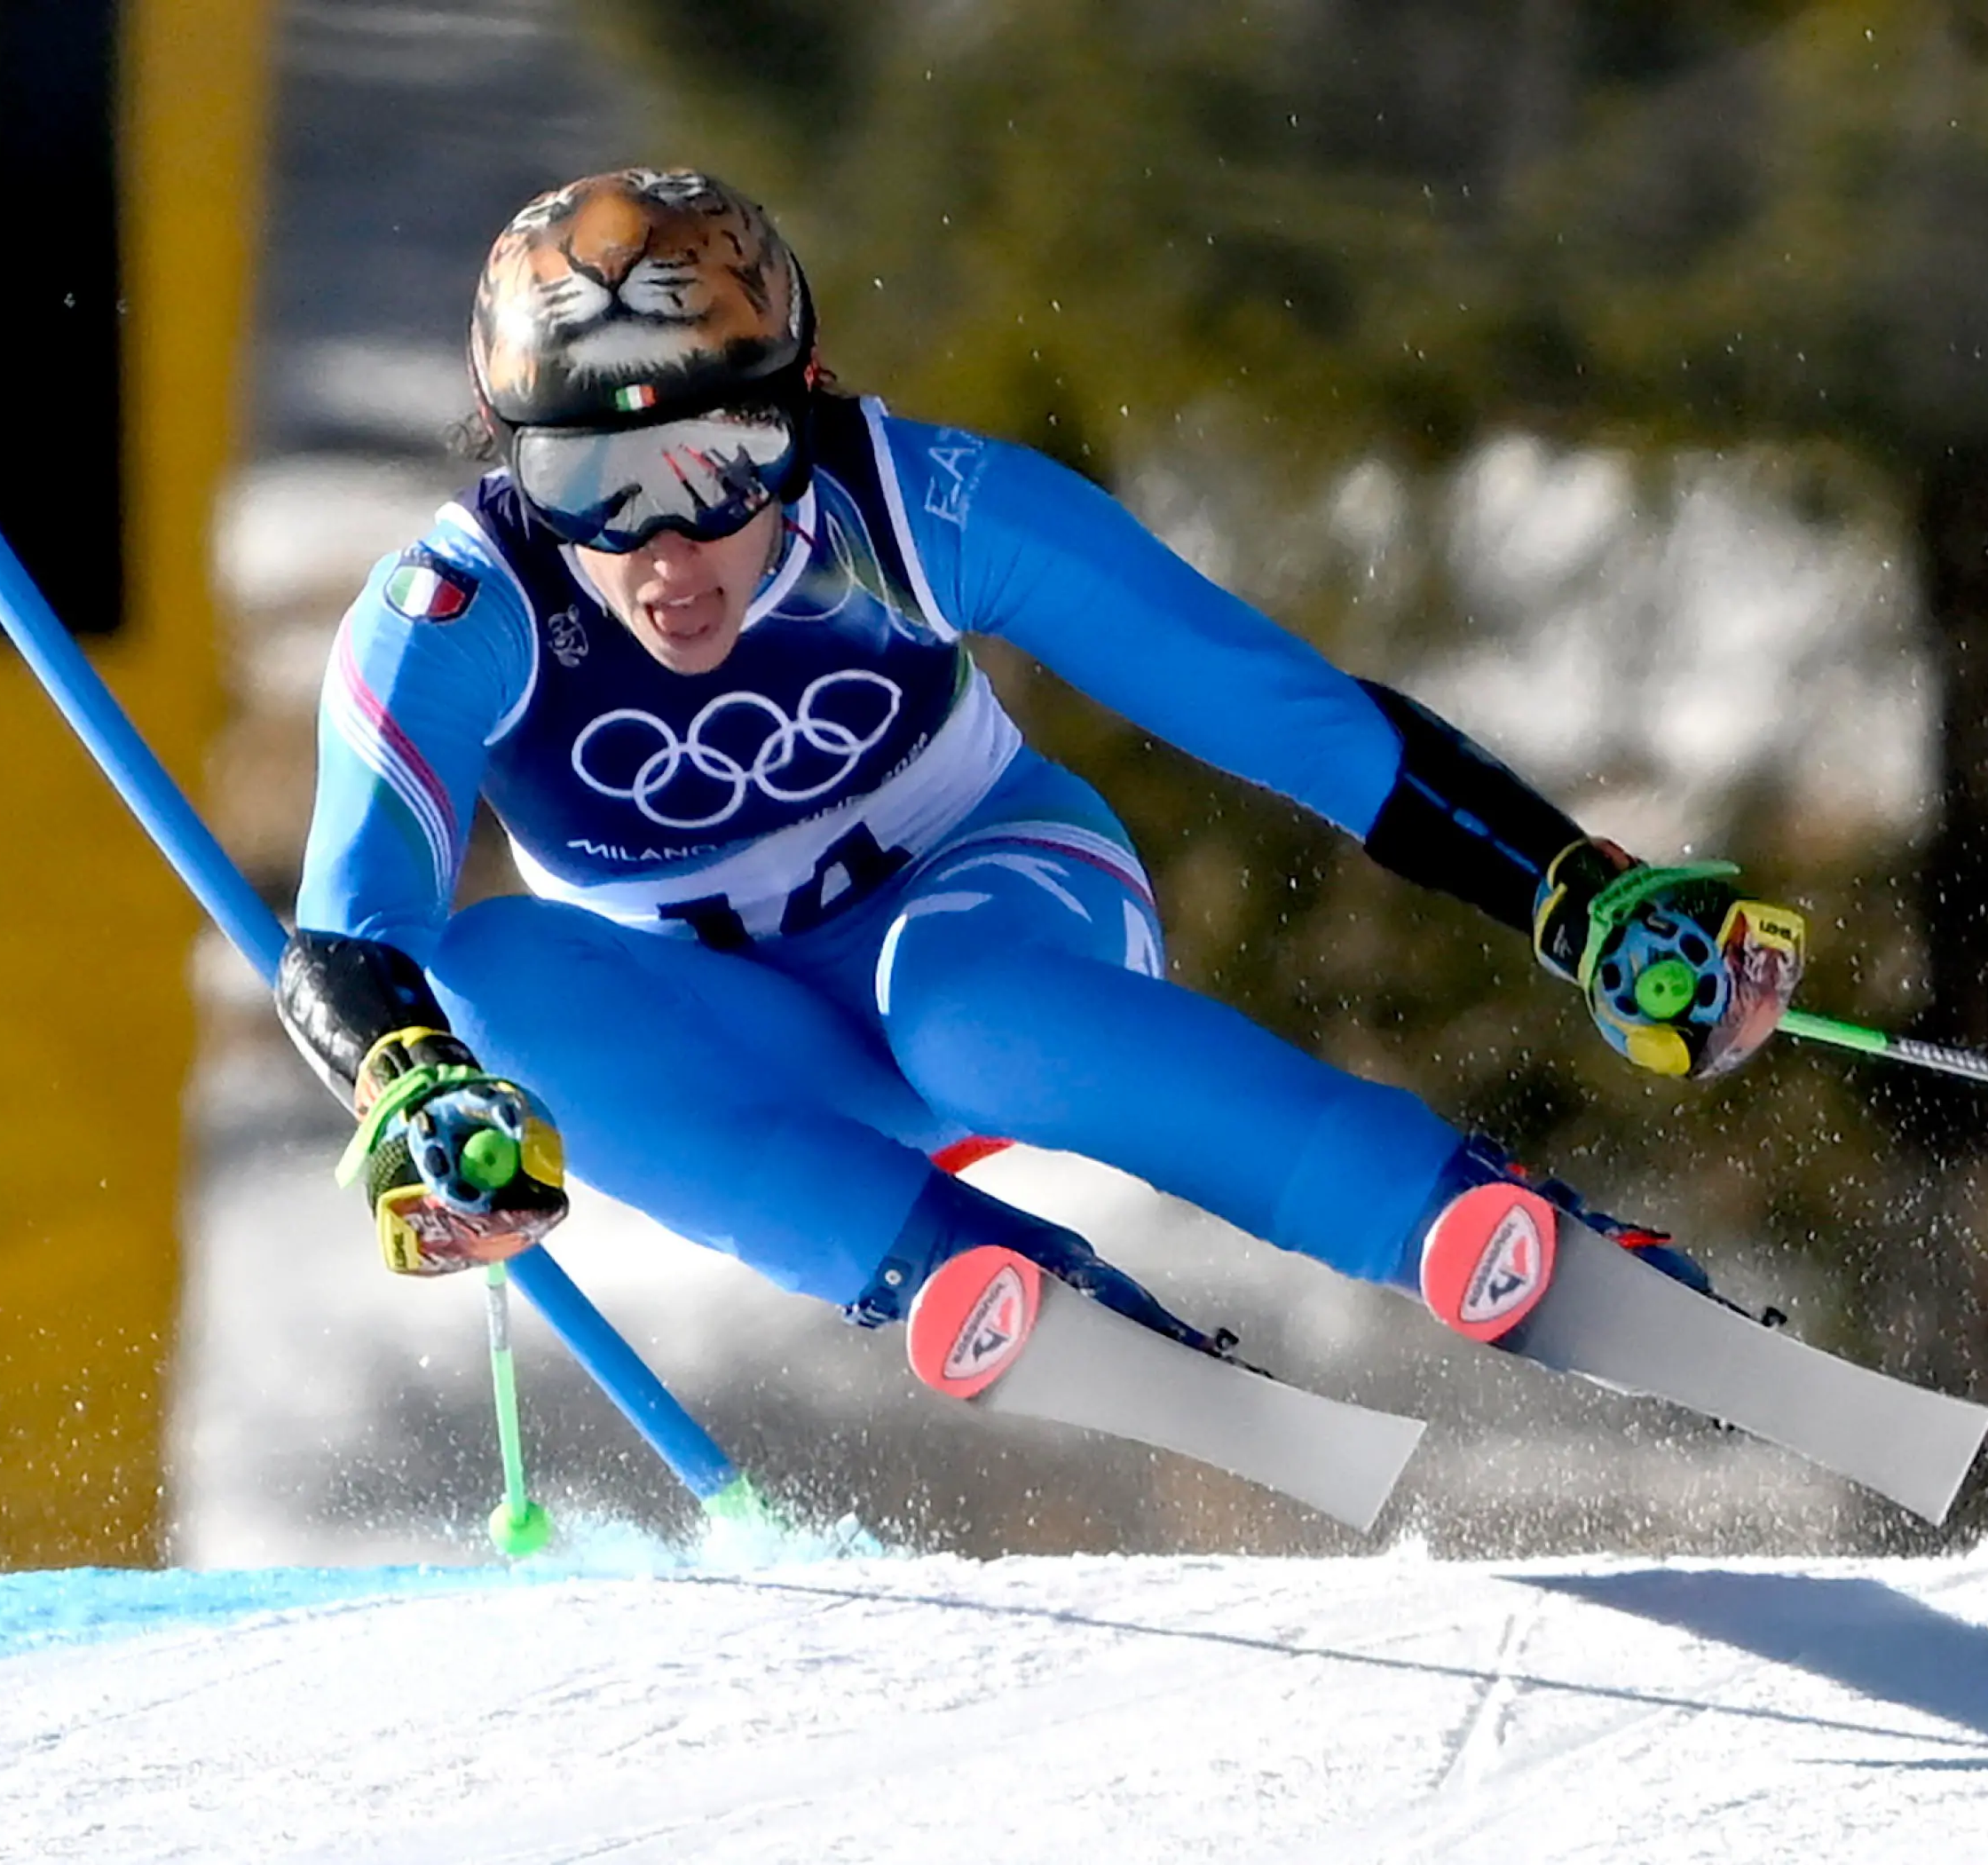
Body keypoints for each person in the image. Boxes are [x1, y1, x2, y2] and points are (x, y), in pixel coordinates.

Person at [276, 167, 1805, 1373]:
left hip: (1004, 918)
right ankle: (962, 1274)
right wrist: (418, 1096)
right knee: (482, 978)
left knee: (962, 1012)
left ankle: (1463, 1221)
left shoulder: (919, 505)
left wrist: (1573, 895)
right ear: (508, 461)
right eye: (585, 483)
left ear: (798, 415)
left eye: (714, 463)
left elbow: (1283, 712)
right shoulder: (460, 608)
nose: (660, 546)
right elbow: (355, 931)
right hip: (756, 1057)